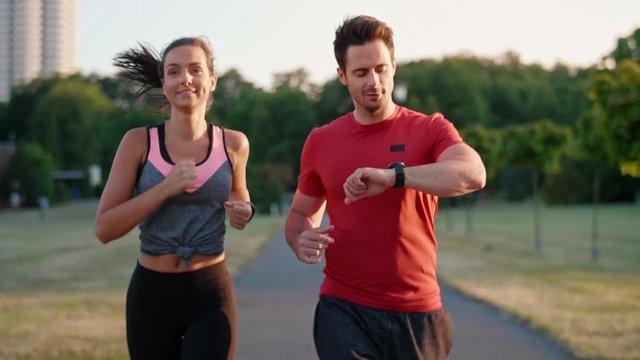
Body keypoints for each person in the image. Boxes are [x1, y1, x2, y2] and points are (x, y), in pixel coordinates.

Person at [285, 15, 486, 360]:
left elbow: (472, 174)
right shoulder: (321, 141)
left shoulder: (430, 129)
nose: (374, 81)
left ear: (393, 66)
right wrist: (300, 237)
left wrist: (395, 177)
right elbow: (302, 213)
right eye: (361, 73)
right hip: (344, 306)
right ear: (342, 76)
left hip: (419, 312)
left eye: (381, 69)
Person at [95, 36, 254, 360]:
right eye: (174, 71)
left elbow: (239, 190)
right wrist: (164, 188)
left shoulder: (234, 144)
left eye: (195, 70)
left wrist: (244, 208)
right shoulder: (138, 143)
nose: (185, 79)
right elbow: (105, 228)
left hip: (210, 293)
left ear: (211, 81)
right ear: (164, 81)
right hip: (151, 296)